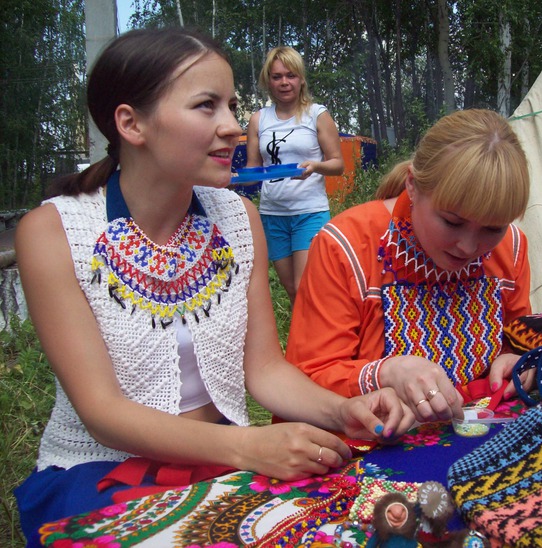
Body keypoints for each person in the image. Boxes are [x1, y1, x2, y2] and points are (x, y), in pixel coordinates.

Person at [13, 28, 412, 547]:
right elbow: (103, 414)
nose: (230, 127)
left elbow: (264, 370)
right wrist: (249, 447)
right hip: (100, 474)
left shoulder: (239, 219)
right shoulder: (54, 233)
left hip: (225, 458)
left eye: (232, 104)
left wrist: (343, 410)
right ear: (131, 123)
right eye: (206, 106)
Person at [286, 109, 534, 424]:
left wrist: (516, 360)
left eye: (492, 228)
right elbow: (306, 378)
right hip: (374, 446)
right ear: (413, 186)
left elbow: (520, 336)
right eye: (451, 222)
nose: (469, 247)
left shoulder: (510, 248)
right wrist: (386, 372)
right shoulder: (347, 245)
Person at [246, 46, 344, 304]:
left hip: (309, 212)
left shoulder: (317, 114)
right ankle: (300, 340)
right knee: (291, 289)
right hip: (272, 214)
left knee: (305, 287)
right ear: (268, 81)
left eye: (290, 75)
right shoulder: (259, 119)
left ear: (301, 79)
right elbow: (253, 169)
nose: (284, 82)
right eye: (277, 76)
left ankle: (314, 343)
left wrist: (315, 166)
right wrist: (228, 175)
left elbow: (337, 164)